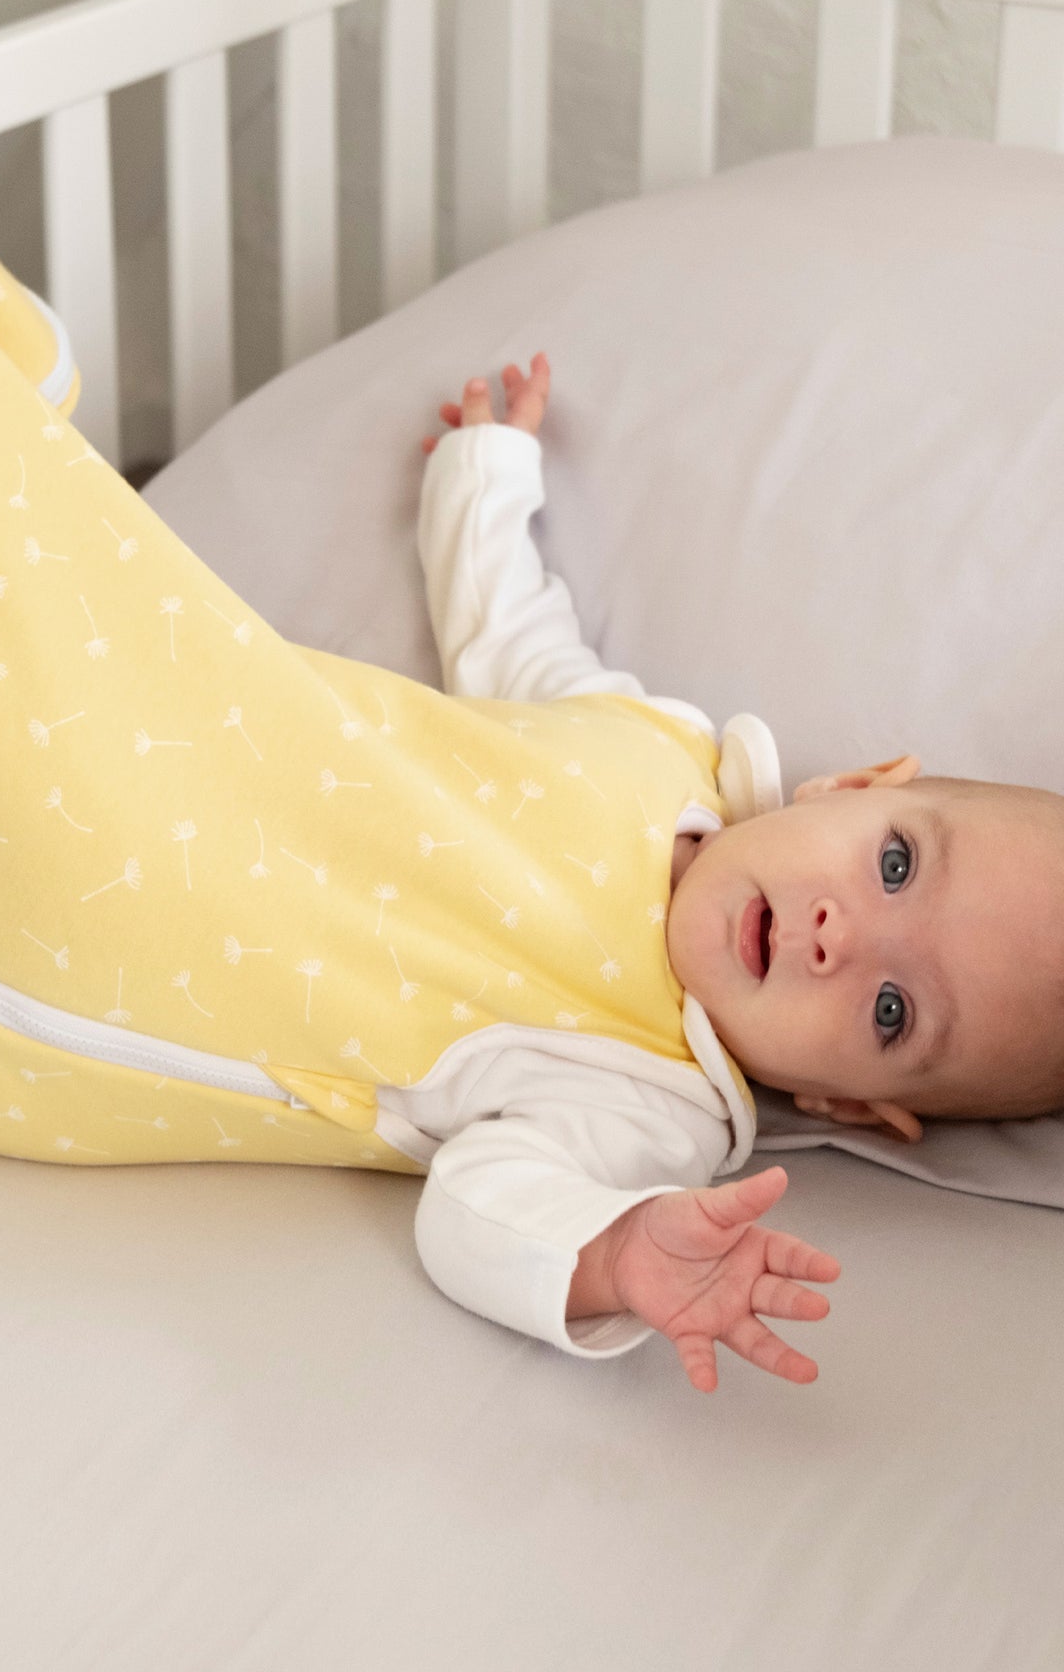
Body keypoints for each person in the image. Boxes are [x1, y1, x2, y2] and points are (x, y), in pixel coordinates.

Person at [414, 358, 1064, 1390]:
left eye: (890, 1011)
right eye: (893, 865)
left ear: (842, 1102)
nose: (835, 936)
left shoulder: (653, 1105)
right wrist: (485, 479)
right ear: (849, 786)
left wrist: (610, 1253)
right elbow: (507, 645)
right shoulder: (651, 746)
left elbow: (471, 1203)